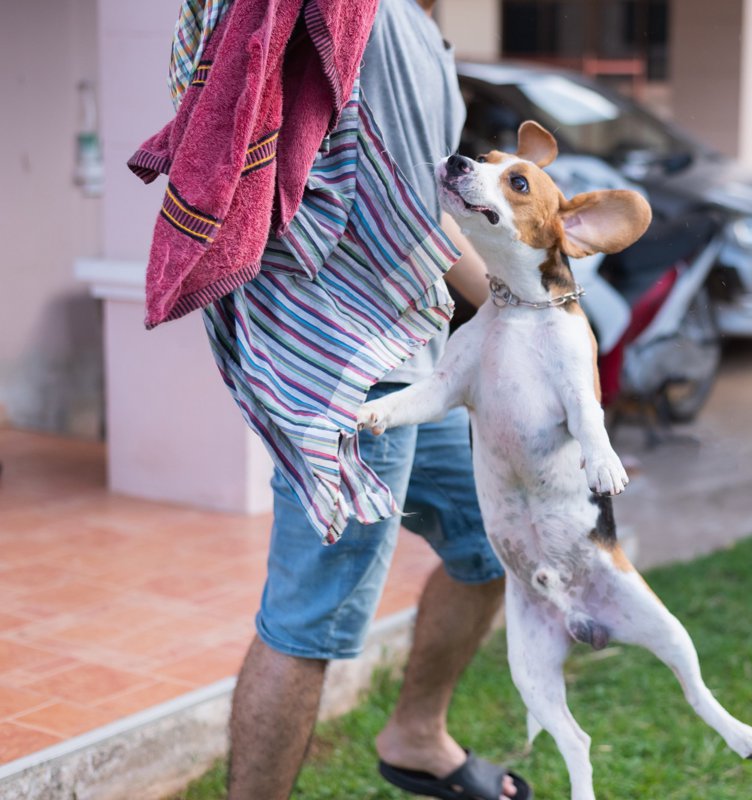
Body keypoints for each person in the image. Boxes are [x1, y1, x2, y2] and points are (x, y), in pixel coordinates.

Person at [224, 0, 526, 797]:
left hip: (409, 352)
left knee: (492, 540)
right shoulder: (373, 19)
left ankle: (416, 736)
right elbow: (414, 214)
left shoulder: (412, 27)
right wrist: (530, 309)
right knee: (307, 622)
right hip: (351, 367)